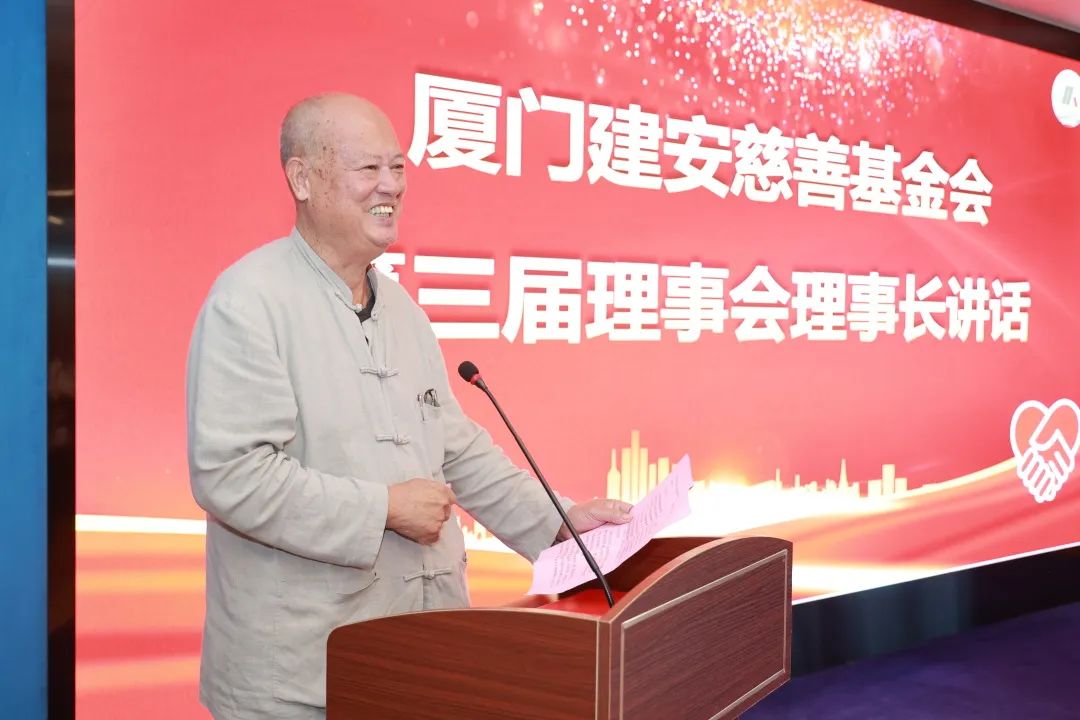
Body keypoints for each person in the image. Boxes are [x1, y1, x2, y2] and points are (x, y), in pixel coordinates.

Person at [186, 93, 633, 720]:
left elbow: (456, 448)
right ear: (302, 179)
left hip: (416, 656)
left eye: (397, 168)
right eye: (368, 168)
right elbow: (231, 475)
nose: (390, 186)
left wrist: (558, 522)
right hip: (300, 678)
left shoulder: (403, 311)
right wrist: (383, 509)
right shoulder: (249, 302)